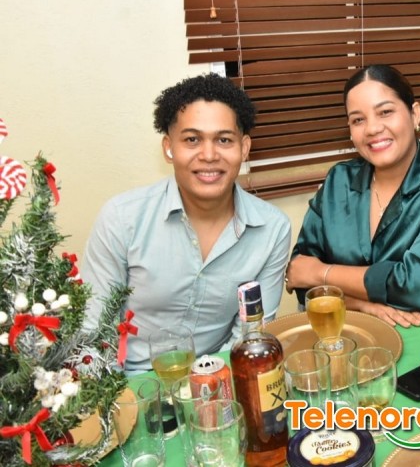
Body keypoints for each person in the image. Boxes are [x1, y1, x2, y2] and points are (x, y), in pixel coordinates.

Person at [82, 73, 291, 373]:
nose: (209, 155)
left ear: (244, 148)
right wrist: (121, 397)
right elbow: (93, 334)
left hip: (218, 380)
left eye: (224, 140)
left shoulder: (272, 229)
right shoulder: (121, 218)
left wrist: (208, 389)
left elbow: (249, 338)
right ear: (169, 148)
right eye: (192, 139)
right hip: (128, 384)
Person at [285, 64, 420, 336]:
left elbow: (419, 287)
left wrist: (321, 273)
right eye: (358, 120)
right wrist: (364, 306)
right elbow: (300, 276)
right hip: (343, 335)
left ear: (414, 114)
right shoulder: (339, 180)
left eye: (385, 112)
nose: (373, 128)